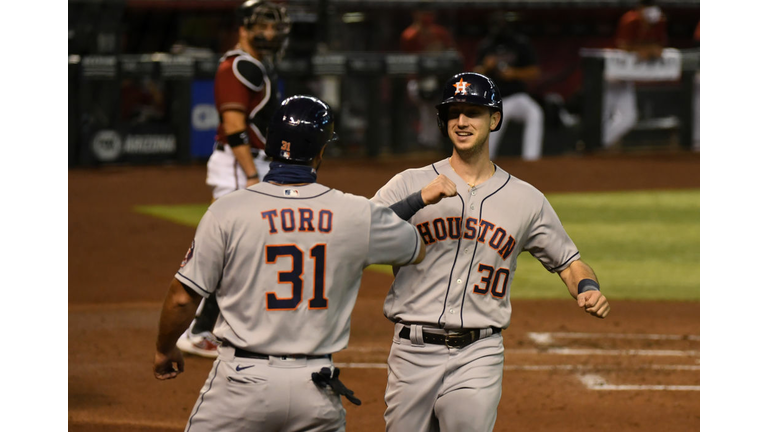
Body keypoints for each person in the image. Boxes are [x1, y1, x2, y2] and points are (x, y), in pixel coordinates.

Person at [153, 95, 458, 431]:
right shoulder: (353, 213)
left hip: (240, 384)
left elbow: (183, 297)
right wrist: (415, 201)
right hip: (314, 389)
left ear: (269, 146)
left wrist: (165, 349)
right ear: (320, 151)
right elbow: (413, 248)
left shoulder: (228, 210)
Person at [370, 72, 611, 432]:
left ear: (494, 119)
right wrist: (418, 200)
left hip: (477, 353)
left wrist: (588, 288)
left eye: (473, 113)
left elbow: (569, 262)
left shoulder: (526, 199)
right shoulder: (409, 183)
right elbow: (362, 235)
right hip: (412, 351)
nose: (462, 122)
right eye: (454, 114)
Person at [176, 0, 292, 358]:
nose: (269, 34)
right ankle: (198, 330)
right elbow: (234, 127)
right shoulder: (238, 66)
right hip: (240, 168)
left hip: (248, 166)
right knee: (229, 250)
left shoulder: (254, 66)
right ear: (243, 27)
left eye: (274, 27)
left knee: (236, 250)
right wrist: (255, 176)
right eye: (262, 26)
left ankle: (208, 324)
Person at [473, 15, 543, 161]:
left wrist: (514, 73)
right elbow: (474, 75)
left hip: (517, 97)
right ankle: (486, 163)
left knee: (535, 113)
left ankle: (531, 159)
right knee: (491, 133)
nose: (501, 27)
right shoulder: (486, 45)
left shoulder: (520, 43)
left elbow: (535, 72)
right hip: (494, 100)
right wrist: (486, 67)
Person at [603, 0, 668, 148]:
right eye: (647, 7)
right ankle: (592, 146)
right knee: (602, 116)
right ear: (640, 9)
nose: (652, 11)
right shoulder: (630, 20)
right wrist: (641, 49)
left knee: (629, 118)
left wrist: (649, 49)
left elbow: (659, 45)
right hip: (609, 75)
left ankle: (600, 144)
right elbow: (623, 46)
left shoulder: (659, 21)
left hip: (626, 78)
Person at [400, 8, 456, 149]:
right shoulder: (409, 35)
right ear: (415, 14)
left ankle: (430, 141)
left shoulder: (440, 33)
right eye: (423, 12)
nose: (426, 16)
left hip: (440, 79)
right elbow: (406, 61)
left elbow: (452, 54)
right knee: (429, 104)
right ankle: (427, 141)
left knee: (436, 107)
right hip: (417, 81)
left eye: (429, 13)